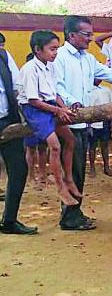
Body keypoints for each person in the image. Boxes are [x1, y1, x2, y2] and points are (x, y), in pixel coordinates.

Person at [55, 15, 112, 231]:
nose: (90, 38)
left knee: (78, 171)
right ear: (72, 35)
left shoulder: (87, 58)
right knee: (73, 171)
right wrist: (71, 102)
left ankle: (74, 211)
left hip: (84, 122)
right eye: (86, 34)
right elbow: (57, 86)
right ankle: (69, 216)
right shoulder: (59, 57)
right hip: (68, 123)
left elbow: (110, 74)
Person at [18, 30, 82, 206]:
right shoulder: (30, 69)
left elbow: (55, 93)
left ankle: (68, 179)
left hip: (49, 104)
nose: (55, 53)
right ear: (38, 50)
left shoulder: (51, 66)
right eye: (52, 49)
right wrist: (56, 110)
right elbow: (33, 100)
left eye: (57, 49)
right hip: (34, 108)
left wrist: (63, 108)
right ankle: (60, 187)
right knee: (55, 146)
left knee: (70, 139)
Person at [0, 43, 37, 235]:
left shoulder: (4, 57)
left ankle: (9, 221)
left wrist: (25, 117)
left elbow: (16, 87)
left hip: (7, 122)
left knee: (19, 170)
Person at [22, 52, 48, 186]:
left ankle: (43, 175)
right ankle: (31, 176)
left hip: (43, 110)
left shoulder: (46, 72)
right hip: (31, 113)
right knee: (31, 148)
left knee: (43, 147)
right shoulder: (27, 71)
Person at [88, 80, 112, 178]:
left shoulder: (107, 90)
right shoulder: (88, 91)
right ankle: (92, 168)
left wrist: (111, 122)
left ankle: (107, 167)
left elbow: (111, 107)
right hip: (93, 121)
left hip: (105, 121)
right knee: (92, 146)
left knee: (105, 144)